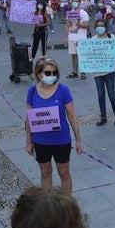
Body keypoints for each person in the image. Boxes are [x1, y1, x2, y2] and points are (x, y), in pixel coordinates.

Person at [25, 57, 82, 193]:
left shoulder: (63, 90)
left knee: (64, 173)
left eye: (54, 73)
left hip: (61, 140)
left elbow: (72, 116)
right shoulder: (32, 91)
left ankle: (67, 205)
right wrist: (29, 141)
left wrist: (78, 140)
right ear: (39, 74)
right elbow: (29, 118)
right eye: (48, 73)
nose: (52, 76)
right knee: (45, 173)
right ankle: (48, 205)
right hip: (40, 141)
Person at [89, 18, 115, 127]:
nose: (100, 28)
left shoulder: (111, 38)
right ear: (95, 28)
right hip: (97, 72)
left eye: (102, 26)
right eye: (98, 26)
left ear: (106, 27)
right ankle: (103, 116)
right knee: (100, 95)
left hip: (109, 72)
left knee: (111, 94)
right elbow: (88, 55)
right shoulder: (92, 40)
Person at [65, 0, 89, 80]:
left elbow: (86, 25)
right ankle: (74, 72)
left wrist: (78, 24)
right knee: (73, 55)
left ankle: (83, 72)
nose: (75, 3)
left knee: (81, 55)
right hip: (71, 37)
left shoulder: (84, 13)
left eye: (76, 1)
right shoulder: (70, 13)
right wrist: (66, 36)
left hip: (81, 37)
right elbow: (68, 25)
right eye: (73, 1)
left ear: (79, 3)